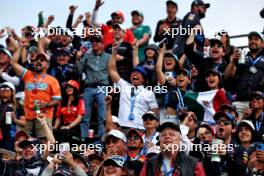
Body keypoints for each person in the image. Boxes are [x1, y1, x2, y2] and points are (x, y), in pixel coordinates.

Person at [11, 48, 61, 138]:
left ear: (48, 65)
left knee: (44, 142)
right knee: (24, 142)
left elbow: (57, 100)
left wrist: (45, 104)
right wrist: (20, 46)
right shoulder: (27, 75)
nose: (38, 61)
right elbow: (13, 63)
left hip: (43, 116)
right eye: (36, 60)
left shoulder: (52, 80)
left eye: (42, 60)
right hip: (27, 117)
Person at [108, 46, 159, 130]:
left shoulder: (149, 93)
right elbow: (112, 70)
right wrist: (114, 53)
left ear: (143, 79)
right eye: (133, 73)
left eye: (139, 73)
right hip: (123, 127)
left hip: (140, 129)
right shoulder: (124, 86)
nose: (135, 74)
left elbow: (155, 112)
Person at [140, 121, 205, 176]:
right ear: (159, 142)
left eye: (171, 134)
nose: (167, 136)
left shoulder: (194, 164)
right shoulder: (149, 163)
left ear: (180, 140)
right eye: (163, 135)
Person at [77, 35, 110, 137]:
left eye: (97, 41)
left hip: (102, 87)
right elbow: (79, 71)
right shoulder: (87, 56)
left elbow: (113, 72)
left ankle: (101, 141)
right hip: (89, 87)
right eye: (93, 42)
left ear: (103, 44)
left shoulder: (109, 57)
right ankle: (84, 141)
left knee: (102, 116)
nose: (94, 43)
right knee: (85, 116)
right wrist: (78, 59)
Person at [225, 31, 264, 116]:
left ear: (262, 44)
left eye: (256, 39)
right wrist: (232, 62)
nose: (252, 41)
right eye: (250, 39)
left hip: (259, 101)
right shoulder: (241, 57)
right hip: (240, 101)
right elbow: (228, 76)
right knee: (237, 127)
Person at [0, 82, 26, 151]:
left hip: (10, 137)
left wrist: (15, 120)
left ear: (12, 91)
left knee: (9, 157)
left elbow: (24, 123)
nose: (4, 90)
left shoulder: (17, 105)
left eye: (7, 88)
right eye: (2, 88)